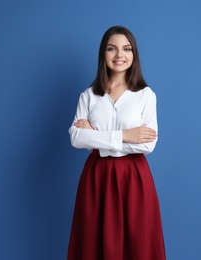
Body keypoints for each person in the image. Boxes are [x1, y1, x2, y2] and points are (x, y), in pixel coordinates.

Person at [67, 26, 166, 260]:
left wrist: (97, 137)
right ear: (103, 54)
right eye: (112, 49)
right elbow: (76, 137)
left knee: (138, 244)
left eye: (126, 49)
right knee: (93, 242)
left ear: (134, 55)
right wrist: (125, 135)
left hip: (134, 178)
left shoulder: (146, 95)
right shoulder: (88, 96)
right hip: (96, 178)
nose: (119, 55)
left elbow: (146, 144)